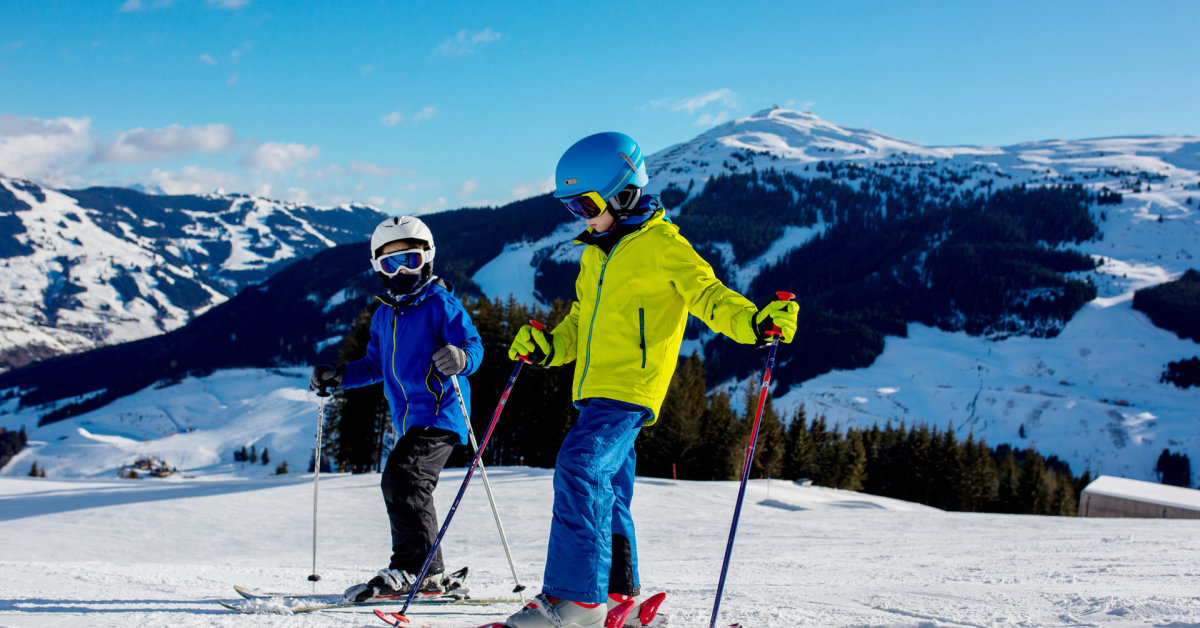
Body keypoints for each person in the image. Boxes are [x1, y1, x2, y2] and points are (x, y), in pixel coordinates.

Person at [501, 132, 798, 628]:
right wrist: (551, 347)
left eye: (586, 204)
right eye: (570, 208)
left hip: (629, 390)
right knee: (610, 487)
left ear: (622, 194)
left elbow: (709, 295)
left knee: (579, 466)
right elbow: (581, 320)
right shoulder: (596, 252)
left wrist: (753, 323)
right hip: (596, 389)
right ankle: (618, 594)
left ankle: (575, 600)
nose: (580, 216)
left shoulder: (663, 245)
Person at [309, 215, 484, 603]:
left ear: (429, 259)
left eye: (412, 259)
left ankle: (413, 568)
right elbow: (374, 365)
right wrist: (337, 375)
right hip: (411, 421)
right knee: (407, 483)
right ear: (379, 269)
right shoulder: (384, 314)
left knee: (403, 479)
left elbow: (474, 349)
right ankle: (430, 572)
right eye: (392, 263)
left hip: (443, 412)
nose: (403, 270)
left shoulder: (441, 303)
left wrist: (460, 356)